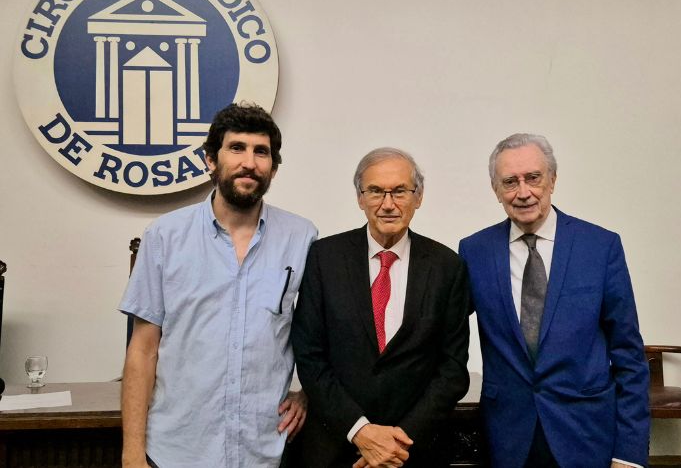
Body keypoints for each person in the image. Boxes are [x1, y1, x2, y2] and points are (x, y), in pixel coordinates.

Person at [119, 103, 317, 468]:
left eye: (261, 152)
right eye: (237, 148)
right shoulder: (165, 236)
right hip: (177, 451)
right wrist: (132, 454)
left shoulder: (302, 237)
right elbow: (142, 351)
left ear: (273, 168)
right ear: (211, 159)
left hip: (264, 451)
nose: (249, 162)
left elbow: (324, 334)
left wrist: (308, 393)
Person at [458, 134, 650, 468]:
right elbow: (443, 333)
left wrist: (629, 454)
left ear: (553, 180)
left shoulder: (600, 247)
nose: (523, 192)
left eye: (533, 178)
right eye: (510, 182)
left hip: (586, 434)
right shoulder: (474, 251)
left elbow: (629, 355)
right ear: (496, 190)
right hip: (507, 437)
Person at [291, 148, 470, 468]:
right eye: (375, 191)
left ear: (418, 197)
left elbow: (452, 369)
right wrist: (361, 431)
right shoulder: (323, 258)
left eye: (400, 191)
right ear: (360, 198)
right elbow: (309, 355)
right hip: (335, 448)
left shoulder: (447, 267)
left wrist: (396, 442)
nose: (388, 204)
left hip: (412, 452)